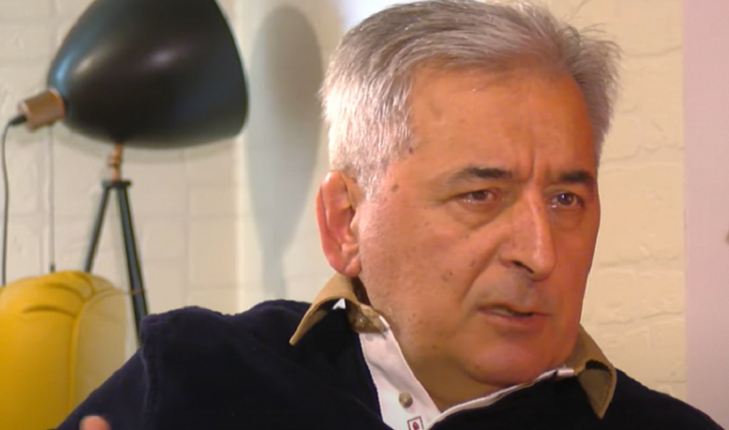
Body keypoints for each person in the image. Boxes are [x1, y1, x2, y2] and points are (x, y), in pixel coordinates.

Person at [60, 1, 722, 429]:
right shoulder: (194, 377)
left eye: (564, 200)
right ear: (345, 222)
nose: (540, 253)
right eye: (481, 196)